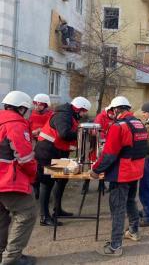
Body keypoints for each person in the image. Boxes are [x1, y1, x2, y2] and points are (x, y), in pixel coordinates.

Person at [90, 96, 148, 257]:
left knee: (117, 208)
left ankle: (115, 246)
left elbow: (109, 154)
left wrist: (96, 169)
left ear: (116, 110)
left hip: (121, 173)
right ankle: (134, 231)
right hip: (135, 171)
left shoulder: (119, 126)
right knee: (130, 201)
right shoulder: (139, 124)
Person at [35, 96, 91, 226]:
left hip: (57, 153)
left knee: (62, 179)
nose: (84, 114)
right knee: (46, 183)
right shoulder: (63, 116)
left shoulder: (69, 116)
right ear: (78, 108)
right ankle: (44, 217)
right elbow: (64, 134)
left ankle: (57, 209)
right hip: (46, 153)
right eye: (83, 111)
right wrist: (83, 132)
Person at [0, 91, 37, 265]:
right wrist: (33, 174)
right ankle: (11, 259)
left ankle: (2, 254)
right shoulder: (15, 124)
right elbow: (25, 157)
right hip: (8, 180)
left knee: (1, 217)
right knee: (26, 213)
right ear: (21, 108)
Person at [28, 93, 53, 200]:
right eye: (36, 104)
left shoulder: (51, 116)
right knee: (34, 164)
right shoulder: (30, 115)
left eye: (40, 104)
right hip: (32, 142)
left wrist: (41, 131)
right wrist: (32, 133)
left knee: (44, 167)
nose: (37, 106)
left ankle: (45, 189)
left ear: (46, 105)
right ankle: (35, 186)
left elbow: (52, 129)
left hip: (46, 144)